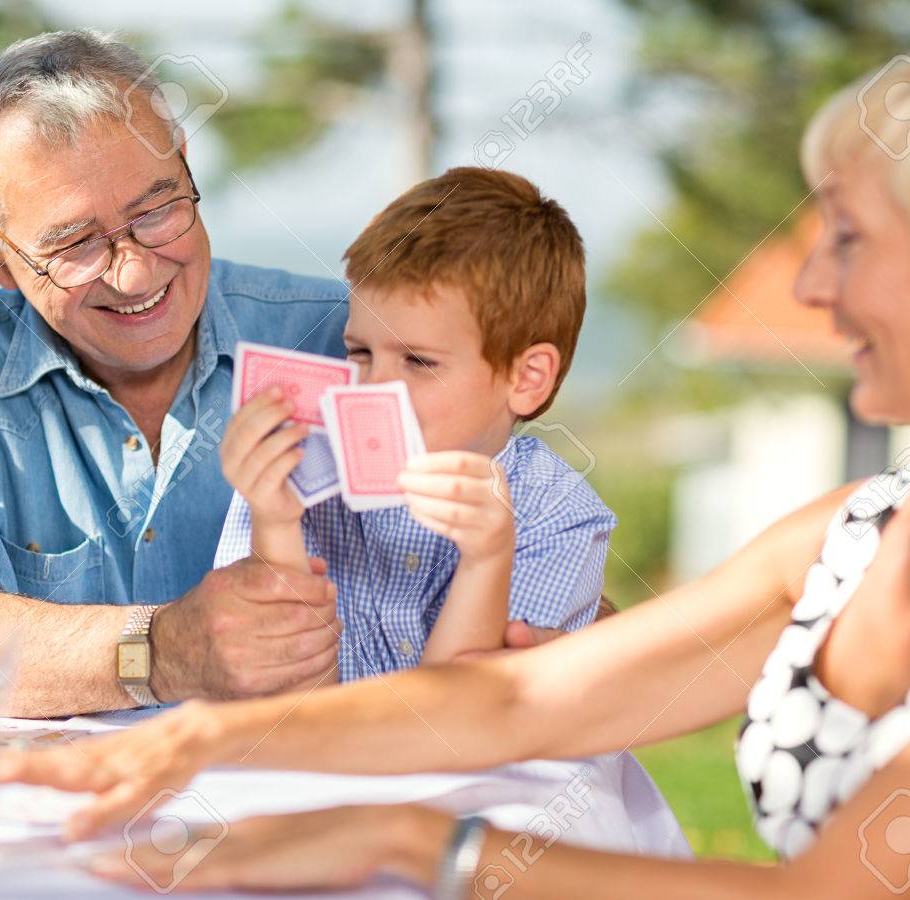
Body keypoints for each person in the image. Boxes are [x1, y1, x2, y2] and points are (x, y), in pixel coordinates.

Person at [0, 38, 910, 898]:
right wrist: (194, 740)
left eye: (850, 240)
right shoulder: (849, 534)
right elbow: (511, 699)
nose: (813, 283)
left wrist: (418, 841)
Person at [0, 30, 355, 718]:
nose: (136, 272)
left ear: (184, 164)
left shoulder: (341, 339)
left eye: (156, 211)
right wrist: (159, 651)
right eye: (76, 244)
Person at [216, 168, 615, 680]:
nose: (373, 386)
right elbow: (287, 706)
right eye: (359, 351)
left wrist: (485, 561)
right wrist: (275, 525)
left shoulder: (556, 512)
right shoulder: (297, 480)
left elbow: (456, 728)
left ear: (526, 378)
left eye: (419, 362)